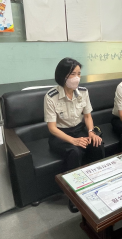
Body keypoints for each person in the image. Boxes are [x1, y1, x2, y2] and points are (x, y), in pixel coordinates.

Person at [44, 57, 105, 212]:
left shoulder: (83, 92)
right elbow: (52, 128)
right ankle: (74, 196)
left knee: (97, 144)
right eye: (72, 74)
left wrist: (91, 132)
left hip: (80, 129)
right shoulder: (50, 97)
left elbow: (87, 116)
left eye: (78, 73)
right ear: (63, 75)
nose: (77, 78)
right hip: (60, 134)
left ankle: (97, 185)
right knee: (74, 151)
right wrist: (73, 141)